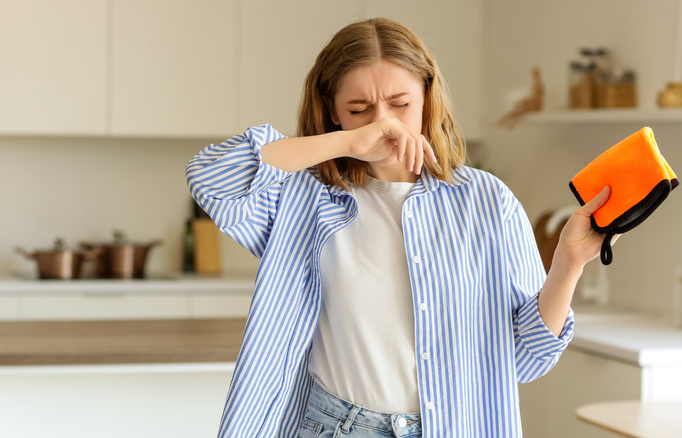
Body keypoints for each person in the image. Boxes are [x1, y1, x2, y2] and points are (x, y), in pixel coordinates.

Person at [186, 17, 611, 438]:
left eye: (400, 104)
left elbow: (528, 358)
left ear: (427, 97)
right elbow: (212, 178)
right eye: (359, 110)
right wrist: (350, 143)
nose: (383, 124)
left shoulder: (487, 201)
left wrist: (569, 263)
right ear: (333, 110)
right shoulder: (302, 198)